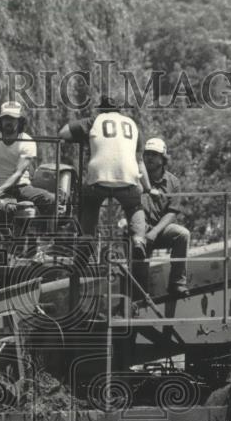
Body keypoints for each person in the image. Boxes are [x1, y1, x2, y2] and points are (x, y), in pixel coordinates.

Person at [58, 96, 157, 260]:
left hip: (98, 179)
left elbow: (63, 132)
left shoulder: (94, 121)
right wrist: (148, 188)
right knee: (134, 206)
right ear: (119, 110)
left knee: (89, 204)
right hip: (127, 178)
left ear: (101, 110)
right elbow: (139, 161)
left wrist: (82, 137)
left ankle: (86, 245)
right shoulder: (132, 125)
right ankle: (139, 240)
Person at [141, 137, 190, 297]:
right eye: (147, 154)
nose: (149, 157)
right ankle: (137, 296)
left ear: (163, 158)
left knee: (182, 234)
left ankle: (177, 283)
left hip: (160, 230)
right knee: (136, 257)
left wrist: (154, 232)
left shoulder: (173, 182)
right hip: (139, 229)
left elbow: (172, 212)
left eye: (154, 154)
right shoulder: (136, 178)